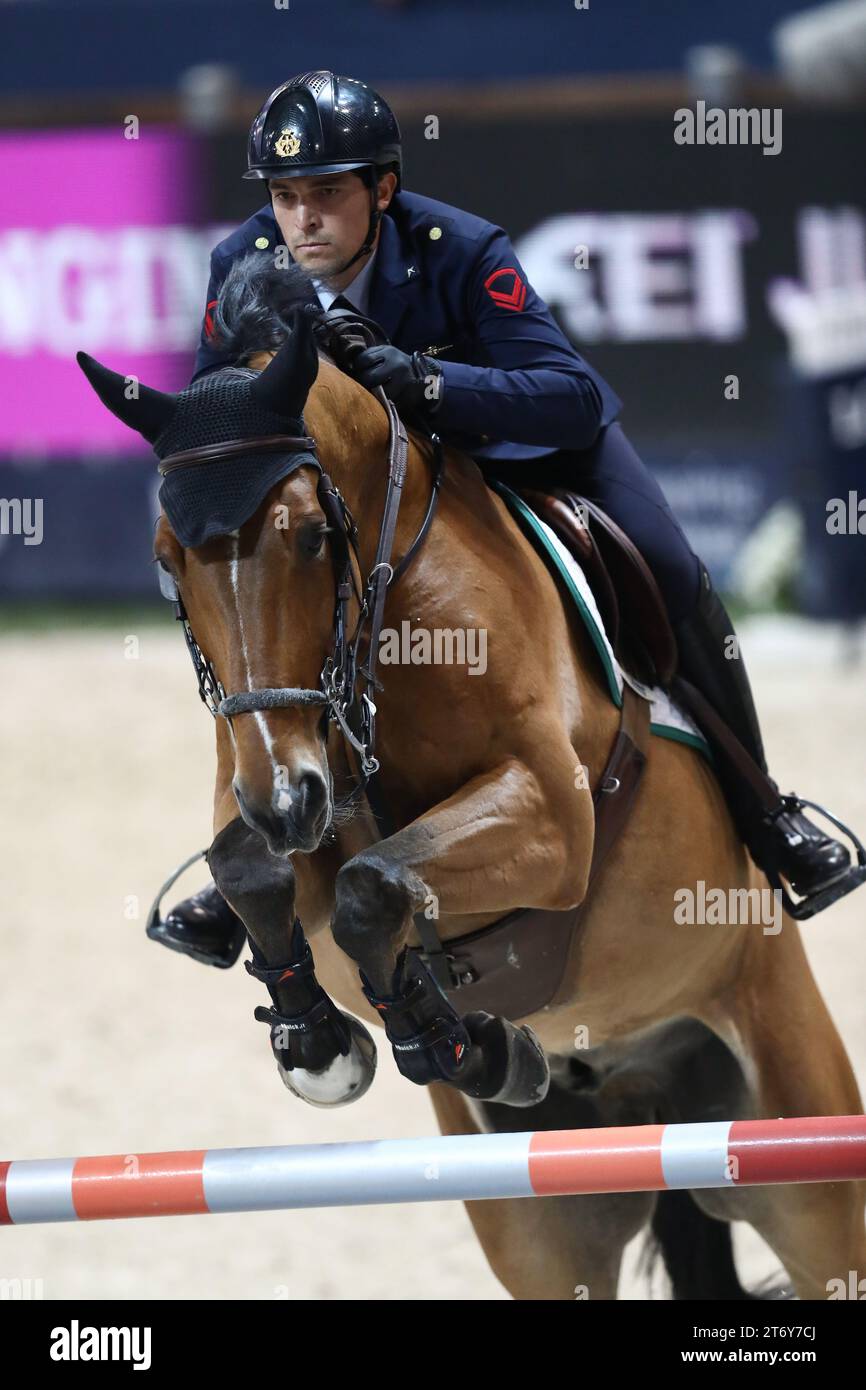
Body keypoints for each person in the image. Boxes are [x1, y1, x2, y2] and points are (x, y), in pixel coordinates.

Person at [152, 69, 862, 967]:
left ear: (383, 189)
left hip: (517, 452)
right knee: (260, 617)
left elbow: (568, 396)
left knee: (671, 563)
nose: (304, 223)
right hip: (360, 498)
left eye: (328, 195)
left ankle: (767, 813)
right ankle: (247, 865)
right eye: (286, 198)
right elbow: (229, 419)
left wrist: (427, 381)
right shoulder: (241, 266)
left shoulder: (461, 248)